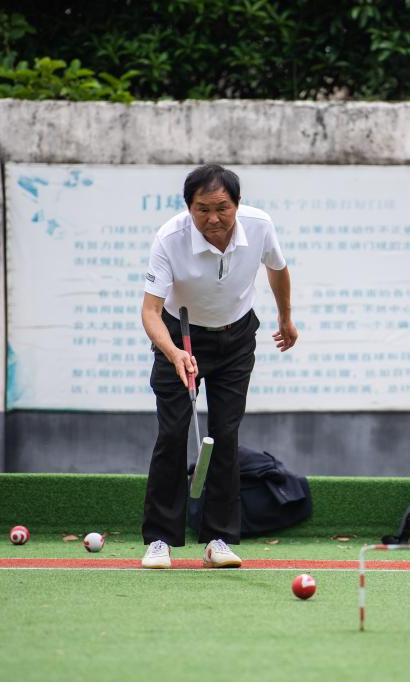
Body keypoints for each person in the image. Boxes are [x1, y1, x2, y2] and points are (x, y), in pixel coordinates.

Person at [139, 164, 298, 569]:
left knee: (225, 435)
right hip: (180, 335)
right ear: (188, 208)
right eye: (202, 209)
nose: (213, 219)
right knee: (173, 433)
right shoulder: (170, 238)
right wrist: (174, 353)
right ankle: (160, 540)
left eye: (222, 208)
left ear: (238, 204)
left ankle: (219, 540)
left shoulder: (259, 226)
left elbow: (277, 269)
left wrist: (285, 318)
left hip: (237, 337)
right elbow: (151, 311)